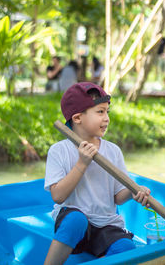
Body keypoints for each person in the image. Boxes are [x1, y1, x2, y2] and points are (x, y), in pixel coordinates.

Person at [44, 82, 151, 265]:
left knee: (125, 247)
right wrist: (82, 163)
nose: (107, 118)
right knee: (76, 220)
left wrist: (133, 192)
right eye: (100, 112)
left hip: (106, 224)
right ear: (77, 118)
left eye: (107, 112)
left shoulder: (113, 151)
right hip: (75, 223)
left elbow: (118, 197)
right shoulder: (59, 150)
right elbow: (58, 196)